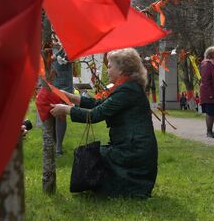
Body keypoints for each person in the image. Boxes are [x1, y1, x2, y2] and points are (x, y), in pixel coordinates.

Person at [50, 48, 158, 198]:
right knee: (94, 154)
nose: (107, 70)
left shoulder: (127, 90)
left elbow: (96, 114)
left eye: (110, 66)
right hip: (132, 147)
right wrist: (72, 98)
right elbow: (100, 104)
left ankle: (127, 189)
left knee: (90, 155)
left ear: (122, 69)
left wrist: (66, 109)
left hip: (134, 151)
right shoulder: (127, 87)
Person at [199, 46, 214, 138]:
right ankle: (209, 132)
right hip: (209, 93)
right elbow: (205, 81)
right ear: (211, 54)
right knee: (210, 113)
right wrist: (210, 95)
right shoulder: (206, 65)